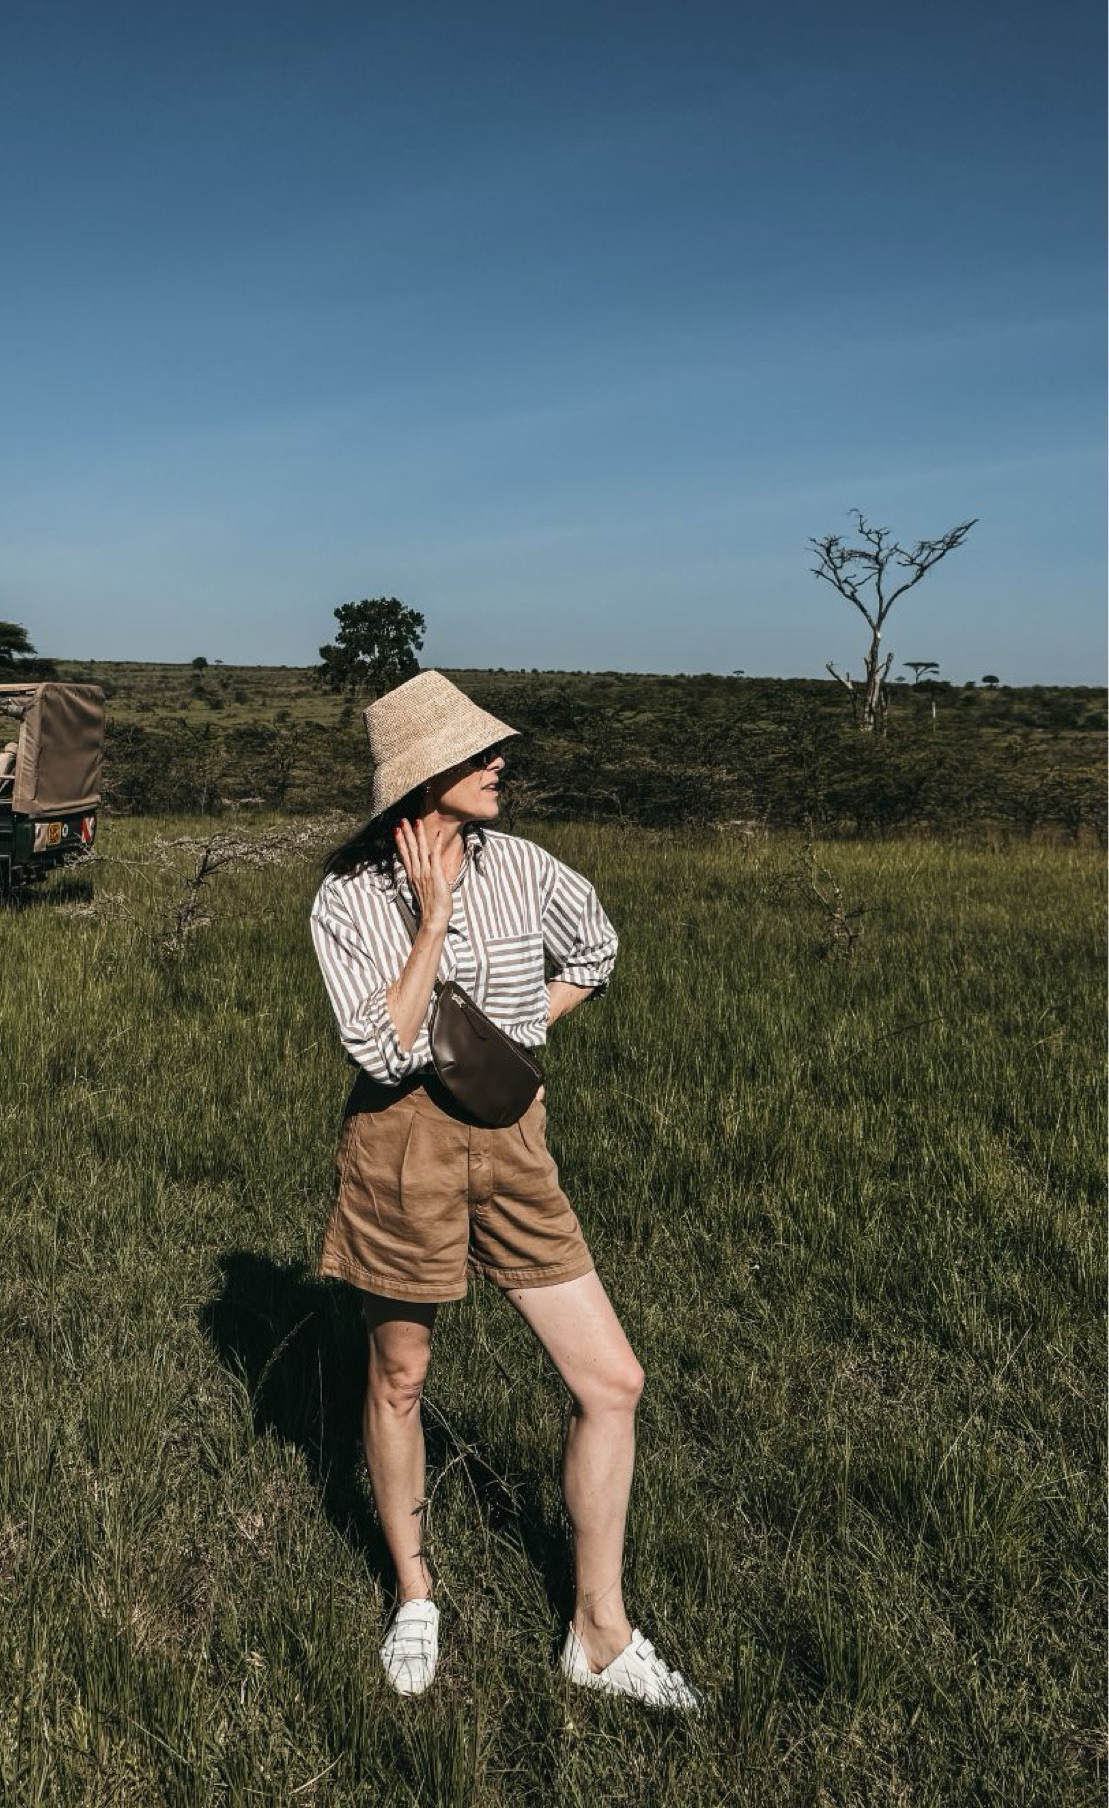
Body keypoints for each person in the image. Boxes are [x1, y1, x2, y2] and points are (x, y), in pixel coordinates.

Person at [310, 671, 700, 1711]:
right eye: (477, 755)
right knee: (399, 1374)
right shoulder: (347, 896)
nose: (498, 764)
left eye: (491, 750)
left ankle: (599, 1632)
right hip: (402, 1146)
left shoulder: (524, 862)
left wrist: (510, 1043)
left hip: (513, 1139)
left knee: (611, 1380)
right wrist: (431, 919)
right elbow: (377, 1047)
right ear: (421, 780)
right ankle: (414, 1590)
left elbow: (597, 946)